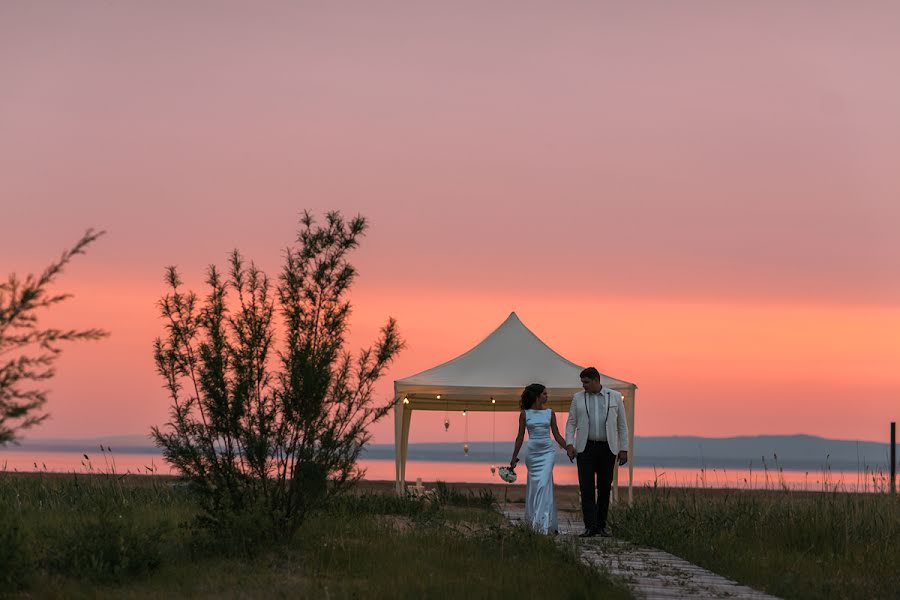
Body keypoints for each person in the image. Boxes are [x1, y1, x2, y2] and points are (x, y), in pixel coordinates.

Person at [565, 367, 629, 537]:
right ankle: (589, 526)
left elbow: (622, 424)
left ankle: (601, 525)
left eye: (586, 382)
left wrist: (624, 448)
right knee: (586, 487)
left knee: (604, 487)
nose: (583, 385)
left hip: (608, 448)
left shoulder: (614, 397)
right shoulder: (578, 398)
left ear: (596, 380)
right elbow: (571, 422)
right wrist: (570, 444)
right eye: (582, 382)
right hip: (585, 448)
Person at [509, 383, 567, 534]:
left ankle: (540, 526)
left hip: (548, 452)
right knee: (537, 488)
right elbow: (520, 437)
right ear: (536, 396)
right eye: (544, 394)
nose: (547, 396)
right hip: (532, 454)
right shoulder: (525, 414)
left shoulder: (550, 413)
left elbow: (557, 435)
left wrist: (569, 448)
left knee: (543, 485)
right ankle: (539, 522)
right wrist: (514, 458)